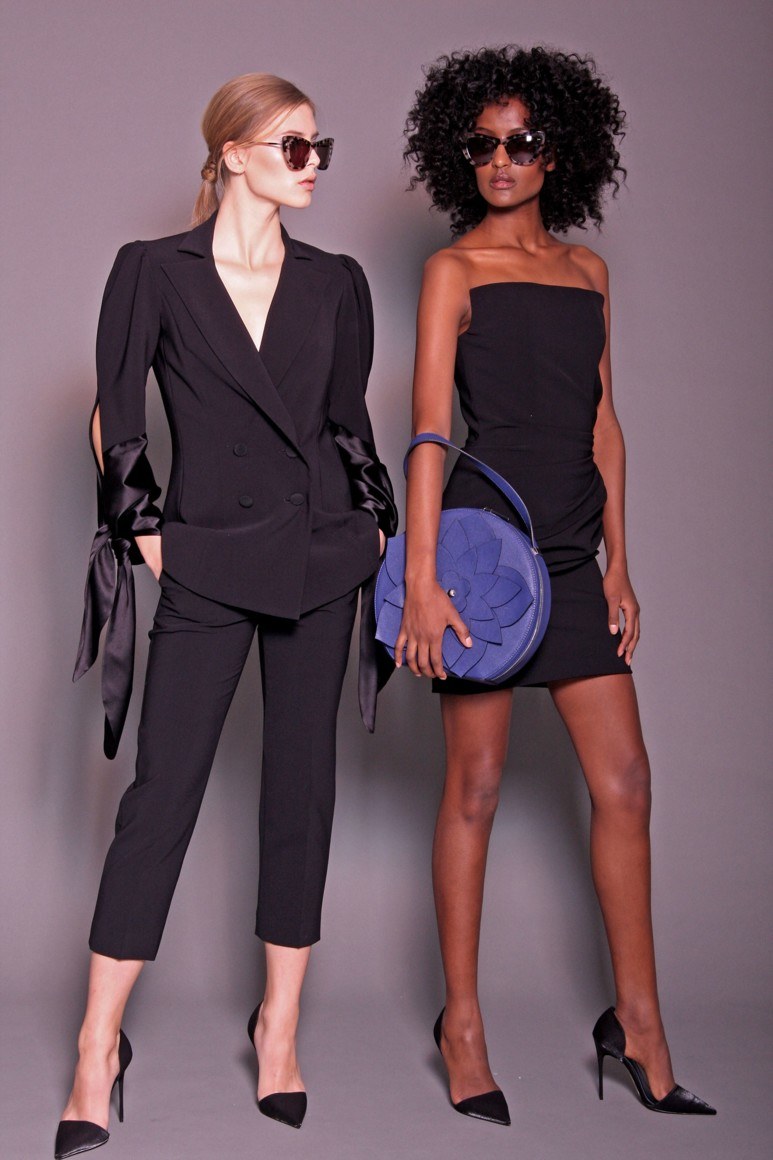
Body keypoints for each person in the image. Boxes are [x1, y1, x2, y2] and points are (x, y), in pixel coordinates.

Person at [56, 72, 397, 1158]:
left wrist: (375, 523)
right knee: (161, 798)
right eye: (293, 146)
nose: (312, 164)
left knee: (301, 793)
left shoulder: (337, 283)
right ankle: (97, 1048)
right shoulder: (153, 270)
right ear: (234, 153)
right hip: (206, 559)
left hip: (319, 560)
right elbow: (116, 416)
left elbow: (347, 423)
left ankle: (278, 1030)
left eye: (319, 147)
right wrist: (147, 532)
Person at [398, 45, 715, 1125]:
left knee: (624, 782)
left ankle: (640, 1025)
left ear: (556, 154)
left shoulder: (588, 274)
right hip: (484, 559)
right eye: (481, 143)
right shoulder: (451, 271)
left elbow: (603, 423)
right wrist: (423, 579)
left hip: (574, 557)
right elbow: (427, 431)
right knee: (476, 788)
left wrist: (621, 561)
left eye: (520, 142)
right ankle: (462, 1024)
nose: (499, 159)